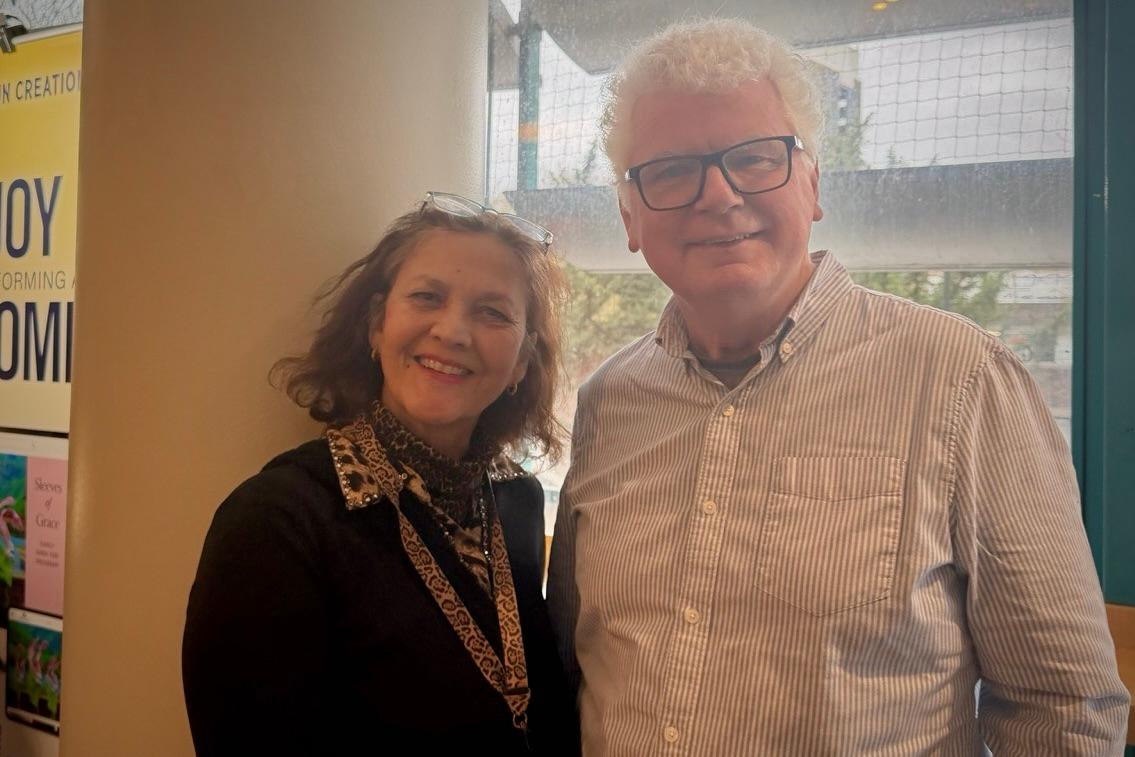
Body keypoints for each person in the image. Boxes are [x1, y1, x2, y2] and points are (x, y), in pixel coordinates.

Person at [546, 18, 1130, 756]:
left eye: (755, 158)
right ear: (628, 216)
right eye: (669, 171)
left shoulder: (961, 378)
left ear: (812, 184)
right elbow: (580, 661)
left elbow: (1062, 707)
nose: (718, 195)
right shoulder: (607, 403)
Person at [183, 192, 579, 755]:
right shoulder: (277, 522)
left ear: (521, 361)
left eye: (492, 311)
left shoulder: (515, 500)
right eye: (427, 297)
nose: (453, 331)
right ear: (376, 324)